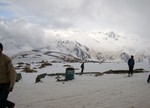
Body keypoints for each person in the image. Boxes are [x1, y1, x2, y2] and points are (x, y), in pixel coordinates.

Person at [0, 43, 16, 108]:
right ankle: (10, 105)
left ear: (1, 49)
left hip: (6, 84)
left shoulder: (6, 59)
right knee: (1, 101)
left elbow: (13, 72)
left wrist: (11, 85)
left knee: (1, 102)